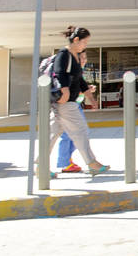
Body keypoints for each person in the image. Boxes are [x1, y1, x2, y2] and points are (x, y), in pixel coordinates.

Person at [48, 27, 109, 177]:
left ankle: (40, 167)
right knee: (80, 132)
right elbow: (59, 72)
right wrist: (65, 92)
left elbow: (80, 81)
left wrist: (91, 99)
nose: (85, 45)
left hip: (65, 103)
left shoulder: (74, 57)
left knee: (52, 135)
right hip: (66, 103)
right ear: (76, 40)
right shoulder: (64, 54)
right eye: (85, 42)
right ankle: (92, 163)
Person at [56, 49, 94, 173]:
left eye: (85, 58)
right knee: (68, 135)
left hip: (75, 105)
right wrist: (86, 91)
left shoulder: (78, 71)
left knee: (76, 134)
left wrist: (87, 90)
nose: (83, 60)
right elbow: (70, 90)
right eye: (81, 58)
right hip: (69, 106)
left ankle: (67, 161)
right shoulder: (71, 71)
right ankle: (65, 163)